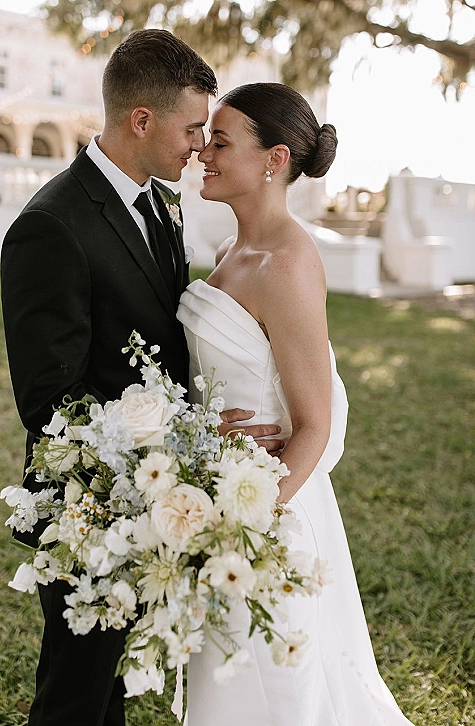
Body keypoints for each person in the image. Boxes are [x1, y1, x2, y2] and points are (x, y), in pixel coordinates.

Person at [0, 30, 281, 726]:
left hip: (154, 500)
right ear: (142, 121)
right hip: (88, 504)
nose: (200, 146)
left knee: (117, 689)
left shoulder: (164, 201)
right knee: (75, 693)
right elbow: (47, 402)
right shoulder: (50, 226)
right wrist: (174, 446)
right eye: (193, 129)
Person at [177, 82, 414, 725]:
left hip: (267, 520)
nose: (204, 152)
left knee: (276, 689)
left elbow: (313, 424)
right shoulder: (231, 254)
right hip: (222, 492)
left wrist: (243, 527)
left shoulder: (287, 263)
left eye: (221, 141)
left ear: (274, 160)